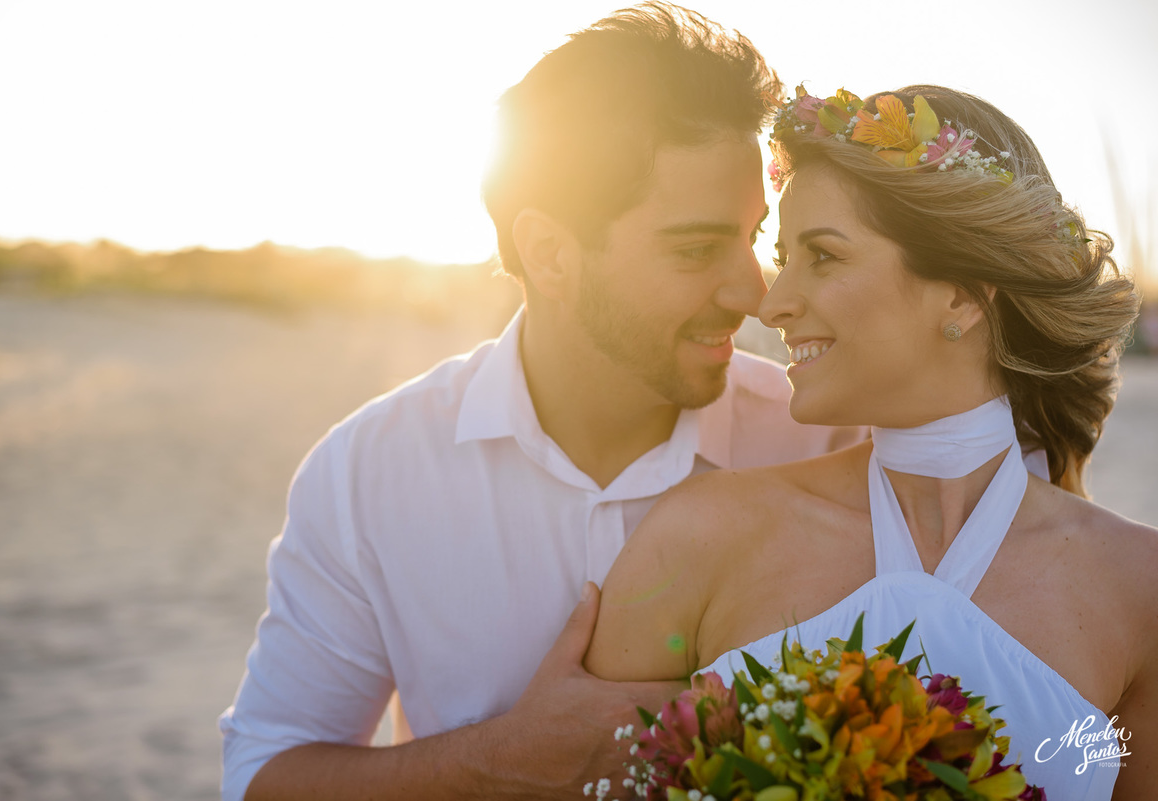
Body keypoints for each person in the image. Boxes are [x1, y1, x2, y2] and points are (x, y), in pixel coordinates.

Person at [219, 6, 866, 800]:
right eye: (697, 249)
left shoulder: (834, 445)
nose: (755, 293)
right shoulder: (368, 473)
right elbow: (264, 774)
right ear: (552, 254)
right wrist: (502, 759)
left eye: (752, 238)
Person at [586, 83, 1156, 799]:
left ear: (963, 296)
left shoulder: (1140, 589)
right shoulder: (697, 538)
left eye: (821, 256)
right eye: (784, 254)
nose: (773, 300)